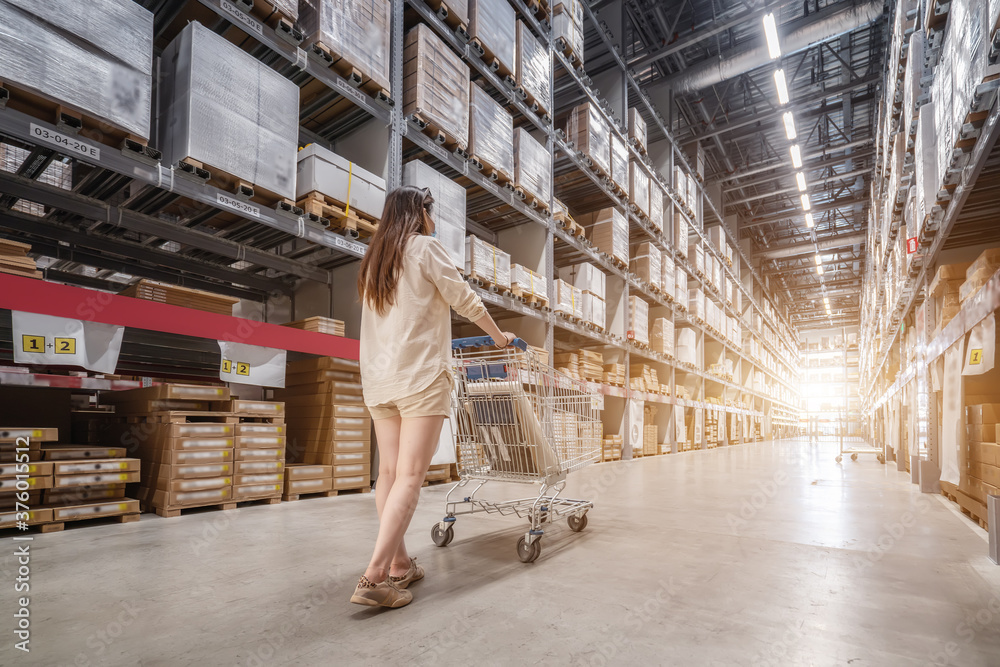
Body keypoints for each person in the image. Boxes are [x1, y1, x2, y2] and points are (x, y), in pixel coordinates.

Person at [352, 185, 516, 609]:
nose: (434, 220)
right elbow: (465, 300)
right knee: (409, 477)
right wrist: (499, 338)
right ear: (419, 213)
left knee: (387, 474)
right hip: (419, 376)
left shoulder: (373, 261)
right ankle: (373, 578)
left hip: (379, 380)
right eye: (431, 211)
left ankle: (399, 564)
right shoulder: (424, 248)